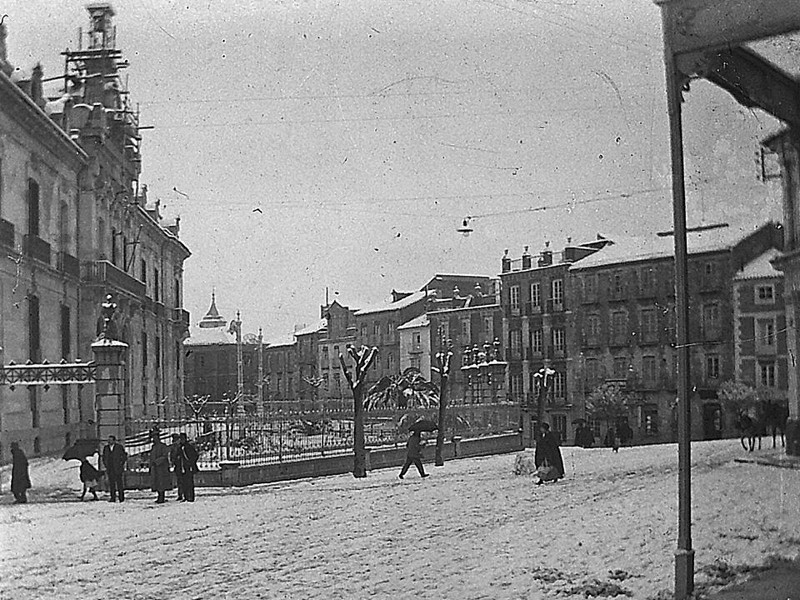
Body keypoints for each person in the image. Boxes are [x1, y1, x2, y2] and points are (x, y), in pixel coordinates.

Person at [102, 435, 127, 502]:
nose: (109, 441)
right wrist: (106, 465)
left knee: (119, 484)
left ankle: (121, 498)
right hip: (110, 468)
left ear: (114, 440)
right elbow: (104, 457)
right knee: (112, 484)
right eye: (108, 440)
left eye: (110, 440)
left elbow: (124, 456)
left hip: (118, 468)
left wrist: (121, 464)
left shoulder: (119, 447)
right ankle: (113, 497)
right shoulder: (106, 448)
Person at [149, 430, 172, 504]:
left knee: (161, 483)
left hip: (161, 468)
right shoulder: (153, 447)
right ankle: (159, 496)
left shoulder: (163, 446)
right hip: (155, 468)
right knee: (156, 483)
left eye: (155, 437)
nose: (154, 439)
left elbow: (164, 456)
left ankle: (162, 497)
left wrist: (157, 462)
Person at [177, 433, 199, 502]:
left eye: (182, 438)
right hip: (182, 467)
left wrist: (191, 462)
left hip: (188, 467)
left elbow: (195, 455)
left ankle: (191, 497)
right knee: (184, 482)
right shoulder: (180, 447)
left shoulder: (189, 447)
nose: (181, 440)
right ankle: (186, 496)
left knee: (189, 482)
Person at [169, 433, 183, 501]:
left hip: (182, 465)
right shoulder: (174, 446)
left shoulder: (180, 446)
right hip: (177, 465)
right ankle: (180, 494)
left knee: (182, 480)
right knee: (179, 480)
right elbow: (172, 455)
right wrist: (172, 461)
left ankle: (182, 494)